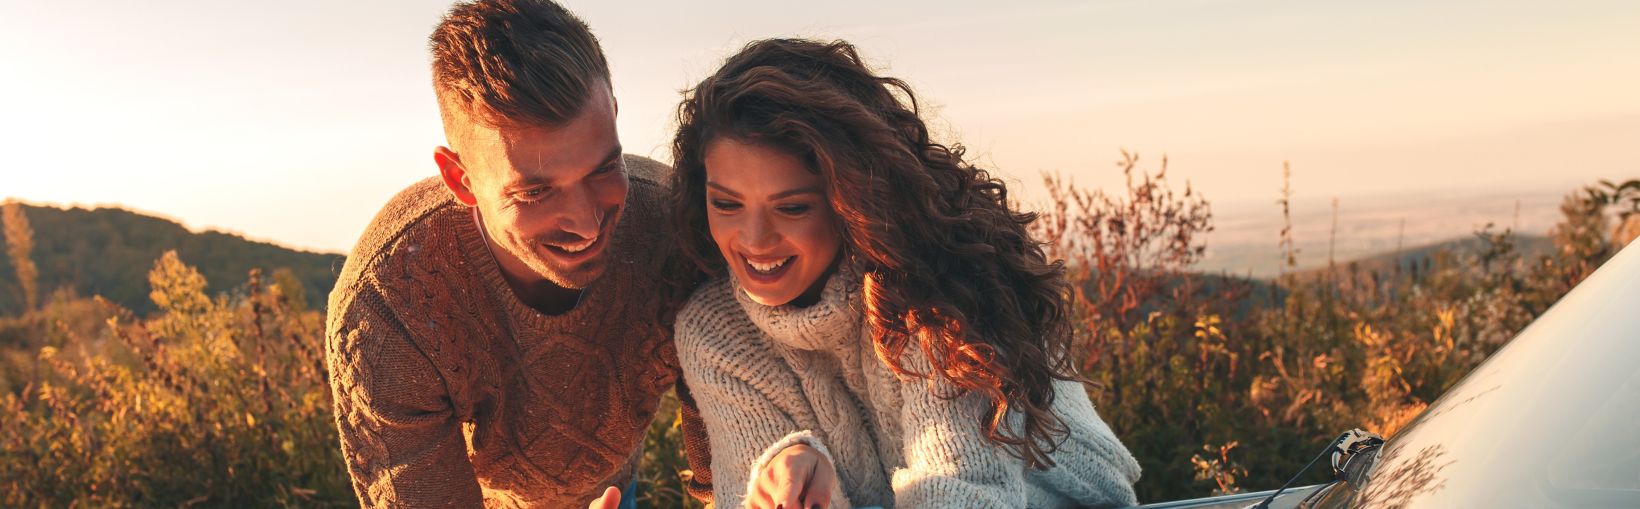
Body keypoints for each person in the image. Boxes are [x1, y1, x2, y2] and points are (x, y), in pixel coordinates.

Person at [669, 38, 1144, 508]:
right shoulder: (713, 330)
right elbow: (746, 497)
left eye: (792, 208)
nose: (753, 239)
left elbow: (960, 492)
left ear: (851, 199)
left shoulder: (938, 289)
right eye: (725, 203)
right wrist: (796, 483)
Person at [323, 1, 710, 507]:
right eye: (535, 193)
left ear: (613, 114)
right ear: (461, 180)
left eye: (601, 169)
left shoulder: (677, 234)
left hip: (616, 486)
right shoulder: (388, 308)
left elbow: (737, 470)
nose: (586, 221)